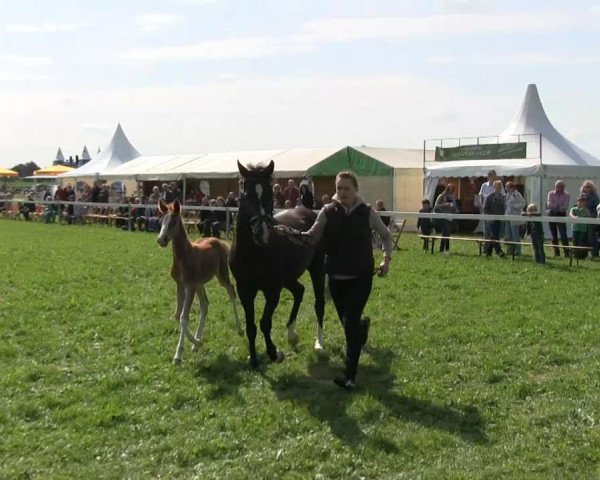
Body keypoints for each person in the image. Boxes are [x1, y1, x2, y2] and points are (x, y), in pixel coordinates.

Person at [275, 171, 392, 391]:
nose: (342, 192)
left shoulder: (367, 212)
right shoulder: (328, 212)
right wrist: (289, 232)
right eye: (339, 188)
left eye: (347, 188)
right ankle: (362, 328)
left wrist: (386, 259)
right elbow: (311, 237)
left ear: (356, 190)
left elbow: (385, 236)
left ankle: (350, 376)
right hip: (336, 278)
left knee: (349, 325)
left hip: (361, 276)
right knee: (349, 323)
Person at [546, 180, 571, 257]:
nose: (561, 188)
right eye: (559, 187)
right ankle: (556, 252)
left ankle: (566, 252)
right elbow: (549, 204)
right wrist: (558, 206)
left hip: (561, 214)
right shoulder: (550, 193)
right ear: (556, 187)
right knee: (554, 235)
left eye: (562, 187)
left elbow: (565, 207)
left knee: (563, 234)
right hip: (552, 214)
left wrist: (555, 206)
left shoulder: (567, 195)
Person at [433, 183, 458, 255]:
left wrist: (455, 209)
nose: (451, 190)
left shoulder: (453, 196)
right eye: (450, 188)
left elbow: (455, 207)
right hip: (441, 216)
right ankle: (442, 249)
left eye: (452, 189)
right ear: (447, 188)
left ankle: (446, 249)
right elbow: (436, 206)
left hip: (449, 217)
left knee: (448, 232)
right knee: (445, 230)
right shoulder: (441, 196)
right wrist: (444, 205)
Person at [483, 180, 506, 257]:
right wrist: (488, 217)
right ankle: (498, 251)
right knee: (494, 235)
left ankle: (488, 251)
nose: (499, 188)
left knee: (494, 236)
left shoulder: (502, 197)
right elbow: (485, 208)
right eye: (498, 186)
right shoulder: (489, 197)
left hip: (499, 219)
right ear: (494, 187)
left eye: (500, 186)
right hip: (491, 220)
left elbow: (503, 208)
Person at [504, 181, 526, 256]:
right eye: (505, 186)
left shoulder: (517, 194)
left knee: (515, 235)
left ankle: (518, 250)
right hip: (507, 216)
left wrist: (515, 206)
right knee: (508, 235)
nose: (506, 188)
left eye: (507, 187)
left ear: (512, 187)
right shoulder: (507, 195)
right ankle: (510, 250)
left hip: (515, 217)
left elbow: (523, 203)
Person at [580, 180, 599, 257]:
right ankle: (584, 254)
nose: (587, 188)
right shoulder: (581, 195)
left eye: (588, 187)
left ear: (592, 188)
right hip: (582, 218)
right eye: (585, 186)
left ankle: (594, 254)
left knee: (592, 237)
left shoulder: (595, 196)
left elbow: (598, 208)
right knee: (583, 237)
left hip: (592, 218)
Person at [570, 195, 590, 260]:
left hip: (583, 229)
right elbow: (571, 214)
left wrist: (583, 210)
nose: (580, 203)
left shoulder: (586, 210)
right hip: (575, 228)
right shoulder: (573, 209)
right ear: (577, 202)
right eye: (579, 201)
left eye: (582, 202)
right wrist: (575, 217)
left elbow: (588, 216)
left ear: (585, 203)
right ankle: (575, 255)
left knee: (581, 242)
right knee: (575, 241)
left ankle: (582, 256)